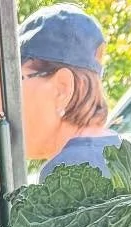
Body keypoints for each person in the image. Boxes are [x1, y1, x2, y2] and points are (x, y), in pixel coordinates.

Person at [18, 5, 123, 181]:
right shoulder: (123, 151)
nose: (9, 99)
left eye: (17, 79)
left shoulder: (66, 175)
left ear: (62, 88)